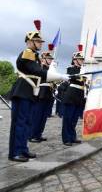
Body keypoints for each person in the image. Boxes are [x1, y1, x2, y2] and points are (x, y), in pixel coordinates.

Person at [8, 29, 68, 162]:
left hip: (29, 92)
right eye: (38, 41)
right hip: (23, 90)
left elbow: (40, 73)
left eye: (41, 41)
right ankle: (15, 152)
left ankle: (23, 149)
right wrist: (60, 76)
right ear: (30, 42)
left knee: (27, 123)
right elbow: (36, 71)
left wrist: (61, 77)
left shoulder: (34, 56)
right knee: (20, 123)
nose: (41, 44)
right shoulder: (28, 53)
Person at [29, 47, 56, 143]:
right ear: (43, 59)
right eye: (48, 59)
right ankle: (32, 135)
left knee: (44, 116)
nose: (50, 60)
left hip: (48, 94)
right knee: (37, 116)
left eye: (50, 59)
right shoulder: (39, 67)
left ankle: (38, 134)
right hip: (40, 93)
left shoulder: (49, 69)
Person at [61, 47, 86, 146]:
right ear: (75, 60)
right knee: (68, 118)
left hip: (79, 96)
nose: (82, 61)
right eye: (80, 59)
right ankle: (66, 138)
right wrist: (83, 76)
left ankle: (72, 136)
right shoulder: (70, 69)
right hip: (71, 95)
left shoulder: (83, 70)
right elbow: (73, 77)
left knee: (74, 119)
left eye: (82, 59)